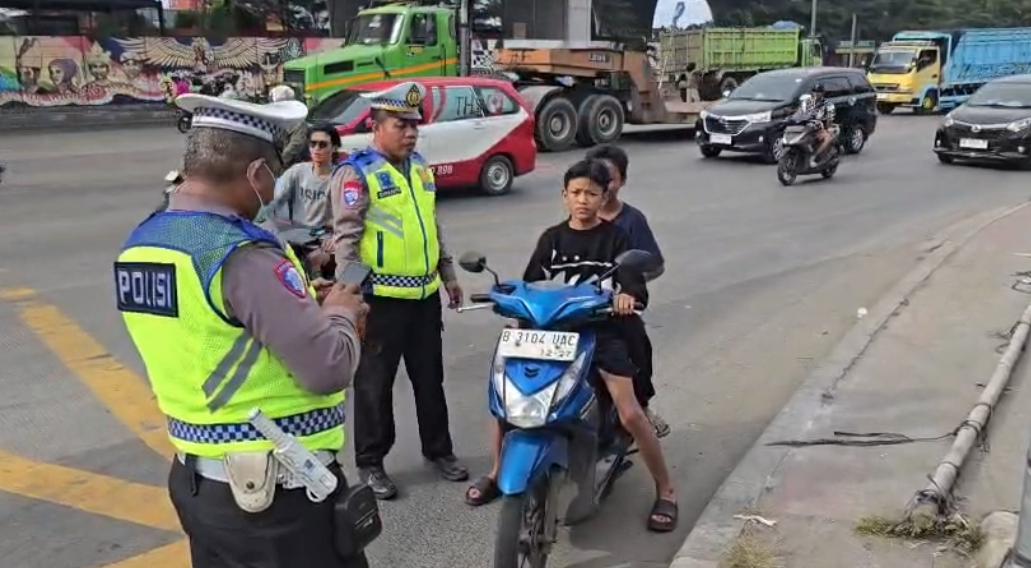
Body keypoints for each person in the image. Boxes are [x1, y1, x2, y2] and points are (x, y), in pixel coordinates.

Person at [114, 93, 372, 568]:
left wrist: (296, 308)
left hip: (198, 483)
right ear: (256, 173)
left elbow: (212, 331)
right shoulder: (238, 254)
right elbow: (328, 367)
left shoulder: (144, 242)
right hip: (275, 502)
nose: (272, 191)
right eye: (273, 174)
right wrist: (339, 313)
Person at [466, 159, 678, 533]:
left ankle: (666, 489)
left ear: (604, 197)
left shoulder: (617, 239)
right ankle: (497, 472)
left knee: (630, 412)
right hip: (548, 333)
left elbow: (634, 287)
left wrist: (626, 297)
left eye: (591, 194)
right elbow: (531, 284)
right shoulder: (551, 239)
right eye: (576, 193)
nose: (583, 200)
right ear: (564, 196)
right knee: (507, 397)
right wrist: (506, 297)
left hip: (600, 332)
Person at [329, 81, 468, 500]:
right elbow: (346, 240)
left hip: (424, 298)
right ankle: (371, 462)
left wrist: (448, 274)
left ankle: (439, 450)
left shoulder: (420, 168)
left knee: (430, 380)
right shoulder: (356, 173)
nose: (410, 133)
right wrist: (351, 299)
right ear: (376, 127)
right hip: (380, 301)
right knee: (374, 386)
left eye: (414, 125)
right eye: (400, 125)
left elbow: (432, 226)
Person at [587, 144, 669, 439]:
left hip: (617, 310)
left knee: (637, 348)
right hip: (579, 310)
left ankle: (642, 408)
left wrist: (626, 286)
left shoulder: (632, 221)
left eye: (610, 178)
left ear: (622, 180)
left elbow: (655, 264)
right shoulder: (577, 220)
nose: (603, 186)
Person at [795, 85, 836, 167]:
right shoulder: (807, 102)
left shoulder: (828, 104)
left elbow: (830, 118)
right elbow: (799, 113)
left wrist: (827, 128)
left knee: (827, 138)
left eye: (819, 92)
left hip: (820, 128)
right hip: (805, 126)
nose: (816, 93)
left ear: (823, 93)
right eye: (815, 91)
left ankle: (814, 157)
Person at [270, 85, 310, 167]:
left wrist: (279, 162)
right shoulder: (278, 118)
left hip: (295, 165)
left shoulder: (297, 120)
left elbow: (296, 144)